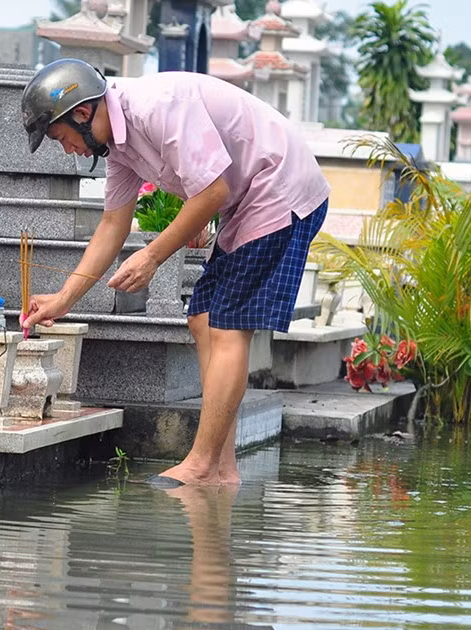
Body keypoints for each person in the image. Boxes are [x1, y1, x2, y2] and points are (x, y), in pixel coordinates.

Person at [21, 59, 329, 485]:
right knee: (202, 318)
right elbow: (112, 225)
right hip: (248, 201)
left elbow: (212, 191)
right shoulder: (120, 148)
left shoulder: (156, 107)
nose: (68, 150)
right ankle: (222, 469)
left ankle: (201, 464)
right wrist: (62, 299)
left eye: (61, 138)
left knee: (227, 326)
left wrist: (151, 257)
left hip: (280, 188)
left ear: (83, 113)